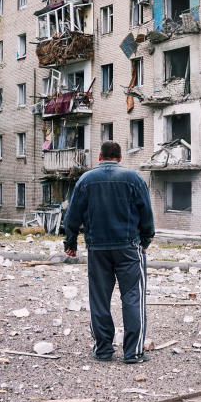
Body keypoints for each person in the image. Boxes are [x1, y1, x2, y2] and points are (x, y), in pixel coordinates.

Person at [63, 141, 155, 363]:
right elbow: (147, 213)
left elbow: (72, 215)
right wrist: (146, 239)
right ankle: (133, 352)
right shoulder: (133, 179)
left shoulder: (85, 180)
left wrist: (71, 242)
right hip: (128, 248)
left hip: (97, 249)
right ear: (121, 157)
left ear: (99, 157)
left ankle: (103, 349)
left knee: (99, 299)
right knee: (133, 297)